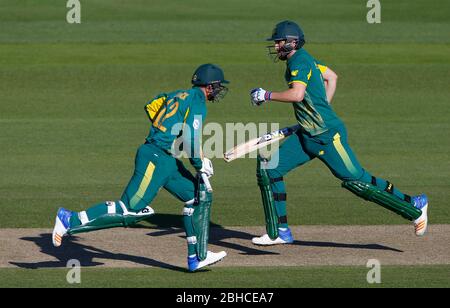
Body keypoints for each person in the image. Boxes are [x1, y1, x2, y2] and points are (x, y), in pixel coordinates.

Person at [250, 20, 428, 245]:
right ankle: (280, 232)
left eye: (278, 42)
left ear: (292, 43)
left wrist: (266, 95)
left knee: (358, 182)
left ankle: (414, 209)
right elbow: (331, 77)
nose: (275, 47)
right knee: (270, 168)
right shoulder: (305, 60)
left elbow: (296, 95)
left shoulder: (300, 62)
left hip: (326, 136)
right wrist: (317, 112)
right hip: (307, 136)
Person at [52, 63, 229, 271]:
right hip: (154, 158)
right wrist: (200, 163)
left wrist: (167, 133)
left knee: (196, 198)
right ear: (209, 86)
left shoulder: (178, 94)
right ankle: (69, 219)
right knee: (130, 210)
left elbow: (152, 105)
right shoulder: (198, 101)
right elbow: (190, 137)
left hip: (166, 159)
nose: (218, 91)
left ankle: (196, 257)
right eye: (217, 86)